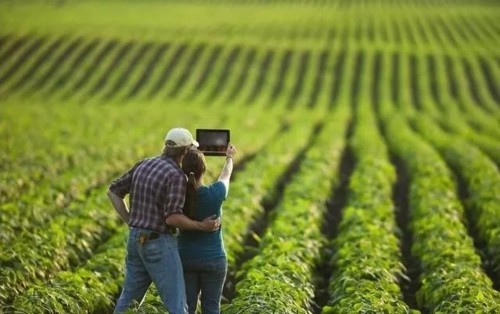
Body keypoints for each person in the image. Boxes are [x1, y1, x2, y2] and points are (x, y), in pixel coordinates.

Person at [107, 127, 221, 314]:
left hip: (136, 240)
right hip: (158, 242)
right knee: (177, 305)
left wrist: (131, 220)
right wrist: (200, 225)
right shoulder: (176, 176)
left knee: (128, 300)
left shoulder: (144, 164)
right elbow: (172, 217)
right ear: (185, 152)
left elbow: (113, 192)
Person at [178, 143, 237, 314]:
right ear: (204, 169)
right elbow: (226, 175)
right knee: (211, 308)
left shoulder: (178, 195)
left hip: (185, 259)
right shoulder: (215, 193)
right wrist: (229, 158)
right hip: (213, 259)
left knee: (186, 308)